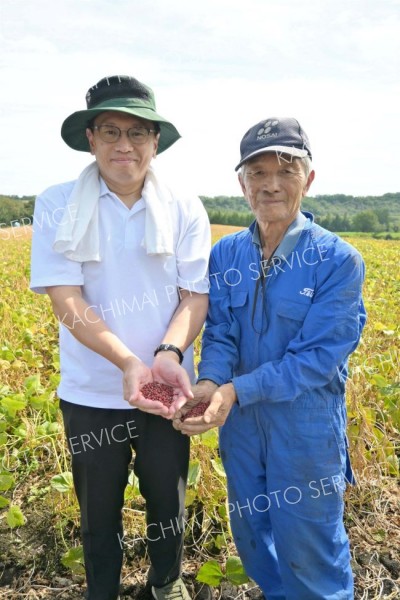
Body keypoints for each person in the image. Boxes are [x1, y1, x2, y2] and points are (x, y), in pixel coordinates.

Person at [30, 75, 211, 600]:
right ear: (91, 138)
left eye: (137, 133)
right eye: (110, 131)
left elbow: (193, 296)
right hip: (91, 392)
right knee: (98, 510)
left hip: (168, 386)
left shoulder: (182, 204)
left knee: (167, 501)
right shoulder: (59, 202)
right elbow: (66, 298)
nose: (124, 145)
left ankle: (164, 584)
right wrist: (130, 362)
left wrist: (167, 354)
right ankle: (102, 591)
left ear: (156, 141)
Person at [174, 117, 366, 599]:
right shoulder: (227, 255)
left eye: (287, 169)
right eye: (257, 173)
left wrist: (237, 389)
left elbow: (317, 358)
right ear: (242, 183)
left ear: (309, 178)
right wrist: (209, 381)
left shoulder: (337, 260)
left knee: (311, 548)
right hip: (241, 429)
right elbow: (220, 332)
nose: (271, 185)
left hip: (304, 429)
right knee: (255, 538)